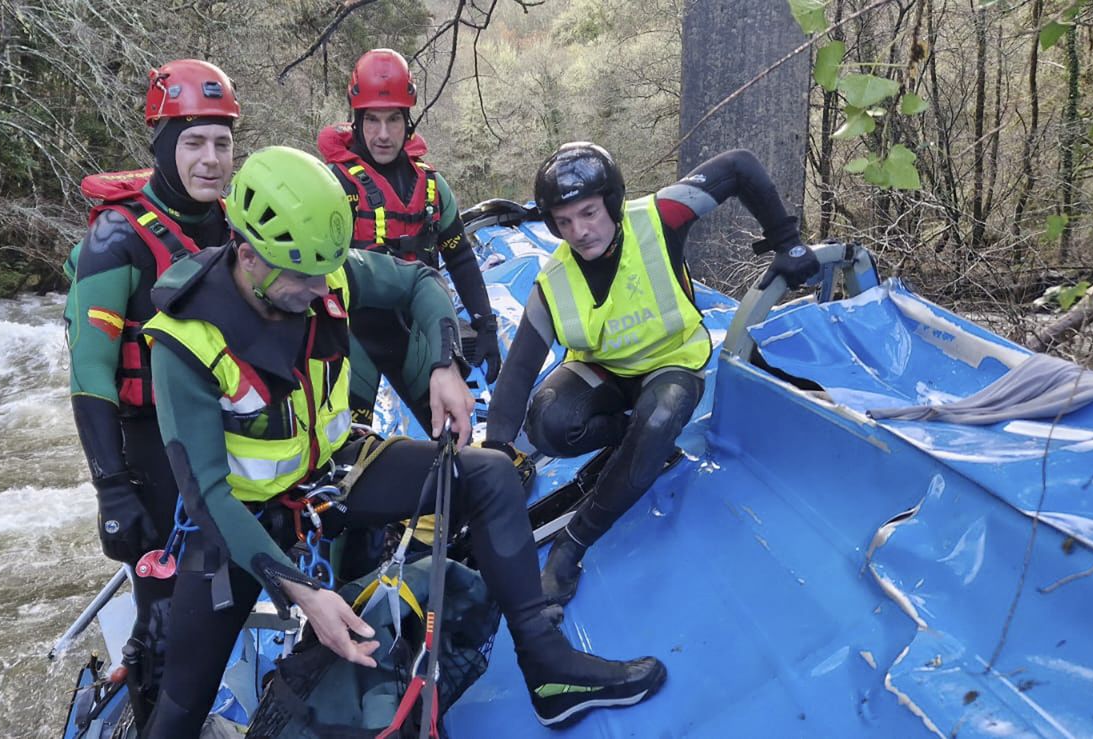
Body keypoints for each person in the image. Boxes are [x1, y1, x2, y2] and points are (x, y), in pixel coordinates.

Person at [139, 146, 667, 734]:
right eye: (304, 279)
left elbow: (417, 281)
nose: (321, 288)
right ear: (249, 257)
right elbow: (208, 494)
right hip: (243, 521)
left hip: (331, 476)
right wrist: (306, 593)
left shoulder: (323, 268)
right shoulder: (184, 340)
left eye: (324, 273)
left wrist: (444, 364)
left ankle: (548, 669)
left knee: (490, 473)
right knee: (182, 701)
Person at [481, 143, 820, 607]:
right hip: (606, 371)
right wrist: (495, 455)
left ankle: (574, 543)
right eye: (564, 222)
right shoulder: (553, 281)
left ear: (612, 202)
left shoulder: (660, 217)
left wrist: (787, 242)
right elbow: (518, 372)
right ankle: (640, 444)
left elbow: (738, 164)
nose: (579, 232)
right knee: (547, 422)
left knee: (658, 418)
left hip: (672, 361)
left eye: (589, 213)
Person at [61, 58, 238, 724]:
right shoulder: (116, 240)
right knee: (167, 614)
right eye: (194, 141)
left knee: (221, 588)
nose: (211, 158)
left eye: (222, 142)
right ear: (162, 144)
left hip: (219, 433)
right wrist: (112, 487)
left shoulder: (235, 222)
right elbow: (91, 373)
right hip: (145, 444)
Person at [316, 48, 501, 428]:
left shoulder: (432, 186)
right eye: (372, 120)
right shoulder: (332, 187)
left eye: (394, 120)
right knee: (346, 446)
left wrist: (485, 324)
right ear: (356, 121)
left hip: (414, 332)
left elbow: (460, 257)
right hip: (352, 336)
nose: (383, 134)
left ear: (408, 121)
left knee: (451, 432)